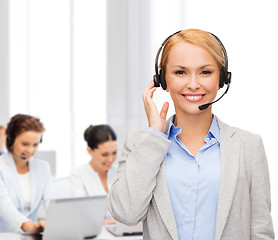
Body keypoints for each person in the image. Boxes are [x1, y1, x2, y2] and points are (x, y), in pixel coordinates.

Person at [108, 29, 275, 239]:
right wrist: (154, 137)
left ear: (222, 78)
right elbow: (126, 214)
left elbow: (261, 231)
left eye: (205, 72)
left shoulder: (249, 146)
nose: (194, 84)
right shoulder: (141, 145)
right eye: (180, 72)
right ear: (162, 80)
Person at [0, 114, 52, 234]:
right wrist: (29, 225)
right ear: (10, 140)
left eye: (35, 145)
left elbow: (51, 201)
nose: (30, 150)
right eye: (25, 144)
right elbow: (4, 205)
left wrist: (52, 221)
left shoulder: (43, 168)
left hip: (31, 235)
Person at [69, 124, 117, 225]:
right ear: (89, 151)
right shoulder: (78, 175)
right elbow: (79, 213)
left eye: (114, 153)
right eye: (104, 154)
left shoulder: (119, 173)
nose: (110, 159)